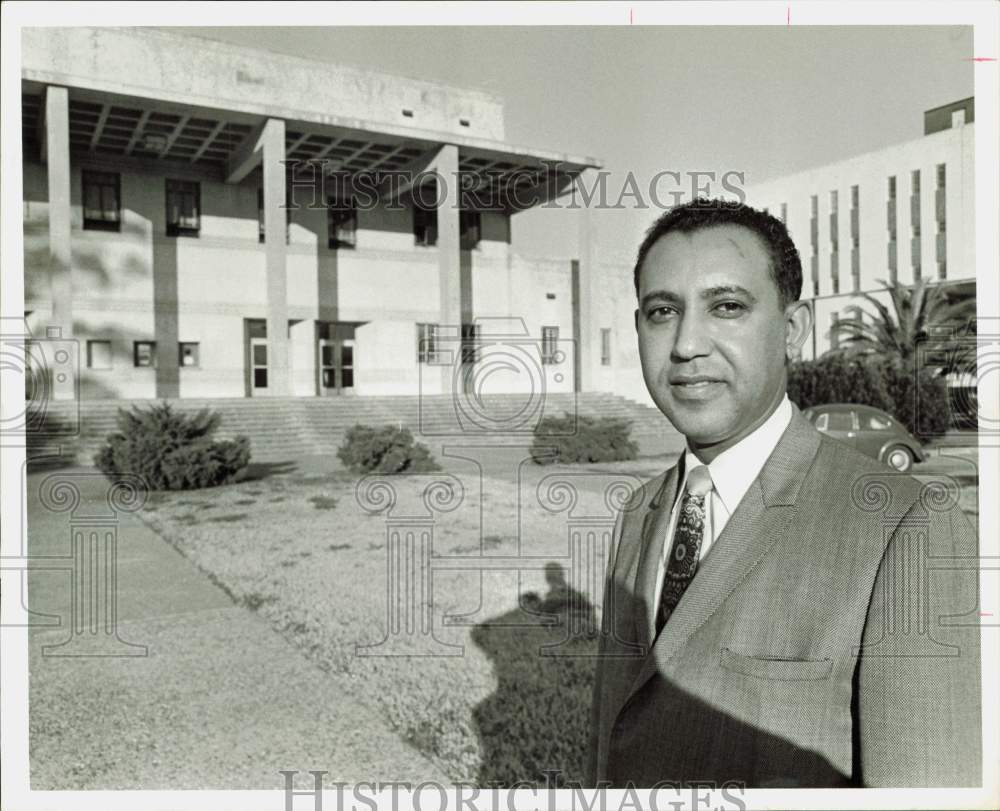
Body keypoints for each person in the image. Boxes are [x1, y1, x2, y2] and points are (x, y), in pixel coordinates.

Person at [587, 198, 981, 788]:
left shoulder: (908, 527)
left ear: (792, 330)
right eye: (662, 311)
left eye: (726, 307)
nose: (686, 344)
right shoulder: (639, 511)